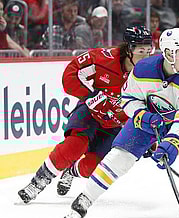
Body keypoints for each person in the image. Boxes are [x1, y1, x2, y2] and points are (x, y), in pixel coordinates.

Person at [65, 28, 179, 218]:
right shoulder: (143, 69)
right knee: (120, 156)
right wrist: (142, 116)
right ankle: (86, 197)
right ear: (167, 53)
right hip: (148, 119)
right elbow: (128, 99)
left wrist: (173, 143)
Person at [17, 25, 153, 204]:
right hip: (89, 112)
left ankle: (71, 171)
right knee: (74, 146)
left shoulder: (150, 74)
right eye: (140, 50)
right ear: (129, 49)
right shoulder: (102, 59)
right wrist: (90, 94)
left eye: (149, 51)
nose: (146, 56)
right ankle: (38, 182)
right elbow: (70, 73)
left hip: (115, 124)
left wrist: (150, 139)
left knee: (91, 168)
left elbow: (151, 108)